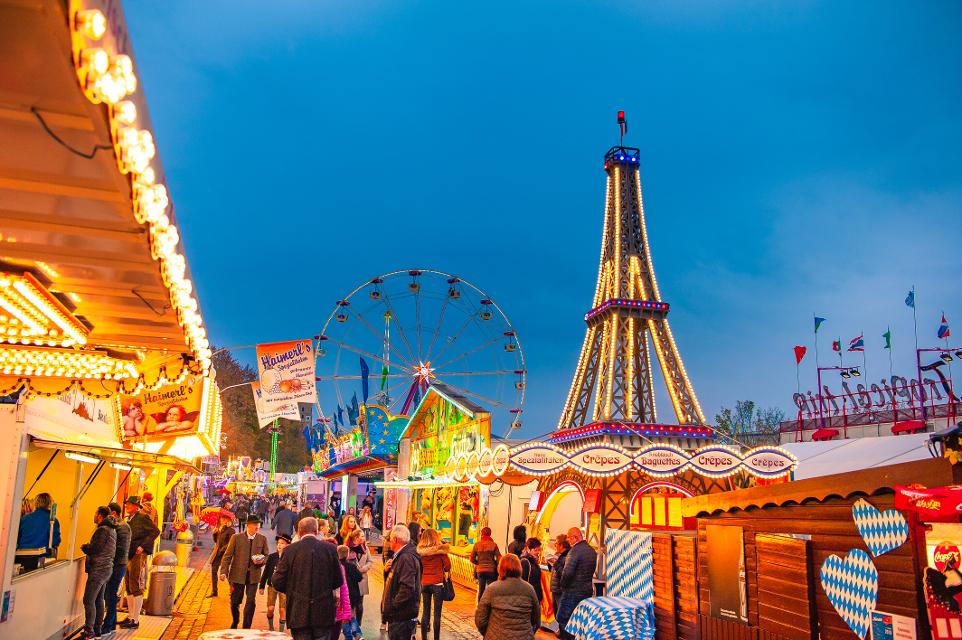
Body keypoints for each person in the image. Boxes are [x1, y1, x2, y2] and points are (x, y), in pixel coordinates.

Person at [271, 517, 344, 640]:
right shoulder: (330, 549)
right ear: (316, 531)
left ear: (299, 532)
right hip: (323, 612)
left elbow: (277, 581)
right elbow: (338, 580)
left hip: (298, 612)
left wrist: (292, 591)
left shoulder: (289, 551)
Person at [475, 554, 541, 640]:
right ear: (519, 568)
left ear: (500, 568)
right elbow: (536, 618)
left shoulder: (492, 588)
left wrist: (489, 633)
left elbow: (480, 618)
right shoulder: (529, 589)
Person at [219, 515, 269, 629]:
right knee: (235, 601)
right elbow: (227, 556)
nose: (257, 526)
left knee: (251, 602)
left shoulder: (262, 538)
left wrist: (261, 561)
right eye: (255, 524)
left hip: (253, 575)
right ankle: (235, 620)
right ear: (248, 525)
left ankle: (246, 627)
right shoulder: (236, 538)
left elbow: (266, 555)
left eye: (258, 524)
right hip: (237, 575)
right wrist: (223, 571)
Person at [120, 496, 160, 629]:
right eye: (127, 504)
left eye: (130, 505)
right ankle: (131, 616)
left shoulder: (142, 518)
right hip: (129, 553)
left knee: (134, 582)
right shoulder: (128, 520)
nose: (127, 506)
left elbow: (155, 531)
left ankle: (135, 619)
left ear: (136, 506)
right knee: (129, 583)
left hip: (138, 553)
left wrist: (143, 546)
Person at [80, 506, 117, 639]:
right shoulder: (111, 529)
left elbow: (96, 548)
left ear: (100, 515)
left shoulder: (102, 530)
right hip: (106, 568)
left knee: (88, 600)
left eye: (96, 513)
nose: (94, 516)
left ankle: (89, 631)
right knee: (99, 599)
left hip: (99, 569)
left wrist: (85, 548)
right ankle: (97, 630)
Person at [381, 524, 421, 640]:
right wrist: (387, 572)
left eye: (390, 539)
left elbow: (407, 588)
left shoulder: (406, 558)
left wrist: (393, 606)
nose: (389, 543)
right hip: (400, 616)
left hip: (401, 617)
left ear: (395, 540)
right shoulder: (401, 556)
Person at [556, 527, 597, 640]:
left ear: (575, 537)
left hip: (572, 592)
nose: (568, 540)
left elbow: (567, 573)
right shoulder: (591, 551)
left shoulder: (574, 552)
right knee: (581, 620)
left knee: (564, 619)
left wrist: (563, 585)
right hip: (586, 591)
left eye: (569, 538)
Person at [101, 502, 131, 635]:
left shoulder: (119, 526)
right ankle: (111, 624)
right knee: (110, 593)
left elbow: (117, 547)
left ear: (113, 513)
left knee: (110, 594)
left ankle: (107, 625)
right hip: (119, 563)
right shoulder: (124, 525)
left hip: (117, 564)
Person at [417, 528, 451, 640]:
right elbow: (447, 567)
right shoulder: (441, 552)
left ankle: (424, 638)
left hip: (424, 583)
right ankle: (436, 638)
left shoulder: (420, 552)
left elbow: (419, 568)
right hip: (437, 584)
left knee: (425, 612)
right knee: (437, 614)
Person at [16, 492, 61, 569]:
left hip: (21, 557)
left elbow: (17, 539)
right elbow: (55, 541)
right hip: (41, 558)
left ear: (35, 503)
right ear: (50, 504)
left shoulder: (24, 519)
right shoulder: (52, 521)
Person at [259, 534, 291, 631]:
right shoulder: (272, 557)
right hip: (272, 586)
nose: (279, 545)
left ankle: (281, 632)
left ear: (288, 545)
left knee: (282, 610)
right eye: (278, 543)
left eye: (282, 543)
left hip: (284, 587)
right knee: (270, 609)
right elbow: (266, 572)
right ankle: (271, 627)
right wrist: (262, 586)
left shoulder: (290, 557)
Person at [347, 529, 373, 626]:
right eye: (362, 536)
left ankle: (358, 624)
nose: (364, 538)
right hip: (351, 580)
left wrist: (364, 568)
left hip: (362, 578)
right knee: (351, 603)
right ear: (356, 537)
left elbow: (370, 561)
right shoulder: (349, 548)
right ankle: (349, 623)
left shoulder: (365, 548)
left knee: (360, 604)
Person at [337, 545, 363, 640]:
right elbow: (359, 578)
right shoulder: (351, 566)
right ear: (347, 554)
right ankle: (357, 633)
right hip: (352, 594)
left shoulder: (337, 566)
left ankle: (349, 636)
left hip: (340, 595)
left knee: (343, 616)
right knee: (351, 615)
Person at [470, 526, 502, 601]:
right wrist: (497, 565)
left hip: (480, 571)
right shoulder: (493, 544)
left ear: (482, 534)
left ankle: (480, 608)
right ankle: (490, 607)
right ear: (490, 534)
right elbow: (499, 557)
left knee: (481, 590)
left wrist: (478, 563)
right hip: (491, 570)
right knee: (491, 590)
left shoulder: (477, 545)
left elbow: (471, 559)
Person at [208, 513, 236, 597]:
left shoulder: (231, 530)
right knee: (213, 571)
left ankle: (233, 590)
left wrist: (223, 549)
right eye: (221, 519)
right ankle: (214, 591)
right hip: (217, 553)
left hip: (225, 554)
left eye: (223, 519)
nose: (221, 520)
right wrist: (214, 534)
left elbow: (231, 543)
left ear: (227, 520)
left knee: (226, 573)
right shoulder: (219, 529)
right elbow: (216, 541)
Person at [548, 536, 571, 619]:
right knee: (557, 614)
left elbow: (564, 574)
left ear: (562, 545)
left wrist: (555, 563)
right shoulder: (560, 555)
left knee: (560, 615)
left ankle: (562, 631)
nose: (555, 546)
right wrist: (550, 563)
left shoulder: (567, 557)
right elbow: (554, 571)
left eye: (556, 544)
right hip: (555, 589)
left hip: (560, 590)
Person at [520, 537, 543, 605]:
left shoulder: (534, 561)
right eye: (535, 550)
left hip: (535, 596)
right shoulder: (525, 561)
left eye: (539, 550)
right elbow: (523, 581)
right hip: (529, 598)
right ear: (528, 549)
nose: (538, 553)